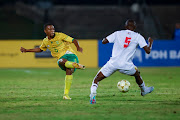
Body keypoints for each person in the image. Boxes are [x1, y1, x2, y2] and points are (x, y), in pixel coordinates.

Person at [90, 19, 154, 104]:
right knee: (137, 74)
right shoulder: (138, 36)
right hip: (126, 65)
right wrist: (150, 43)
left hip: (113, 63)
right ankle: (144, 90)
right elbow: (148, 51)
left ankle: (93, 95)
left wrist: (105, 38)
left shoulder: (118, 33)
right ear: (134, 27)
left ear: (125, 26)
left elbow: (104, 42)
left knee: (96, 79)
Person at [20, 23, 85, 100]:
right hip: (61, 58)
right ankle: (74, 65)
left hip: (71, 55)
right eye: (50, 29)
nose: (52, 31)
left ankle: (66, 95)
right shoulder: (45, 41)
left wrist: (78, 47)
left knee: (69, 71)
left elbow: (73, 40)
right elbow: (40, 49)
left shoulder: (60, 35)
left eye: (53, 29)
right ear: (45, 31)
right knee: (61, 61)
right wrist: (27, 50)